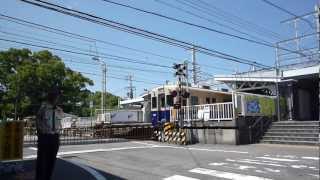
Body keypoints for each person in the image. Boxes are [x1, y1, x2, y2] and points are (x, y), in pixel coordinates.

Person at [36, 87, 63, 180]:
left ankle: (48, 178)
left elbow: (59, 124)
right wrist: (41, 135)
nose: (57, 98)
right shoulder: (43, 108)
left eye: (58, 96)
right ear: (51, 96)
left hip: (55, 137)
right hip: (44, 137)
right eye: (56, 95)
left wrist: (58, 136)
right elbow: (38, 123)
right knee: (41, 162)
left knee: (51, 161)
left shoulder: (59, 110)